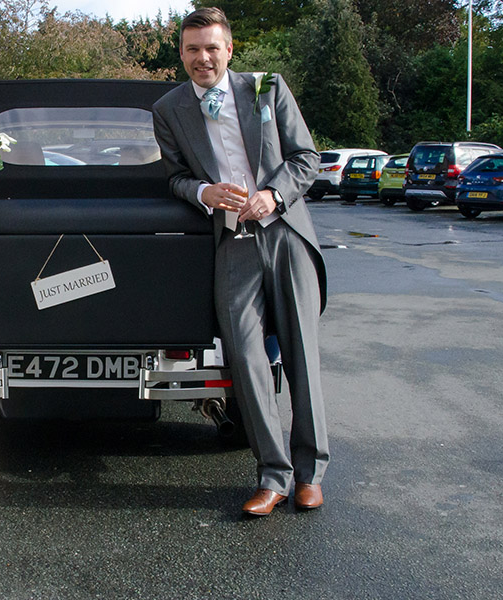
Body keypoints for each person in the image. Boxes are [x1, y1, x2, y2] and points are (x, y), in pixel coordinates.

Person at [152, 8, 330, 517]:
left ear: (229, 49)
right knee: (248, 364)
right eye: (192, 49)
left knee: (301, 359)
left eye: (211, 48)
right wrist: (205, 191)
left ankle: (310, 474)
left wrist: (273, 195)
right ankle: (273, 476)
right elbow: (175, 178)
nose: (202, 58)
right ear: (181, 53)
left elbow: (306, 158)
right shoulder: (167, 108)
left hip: (286, 235)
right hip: (231, 245)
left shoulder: (267, 88)